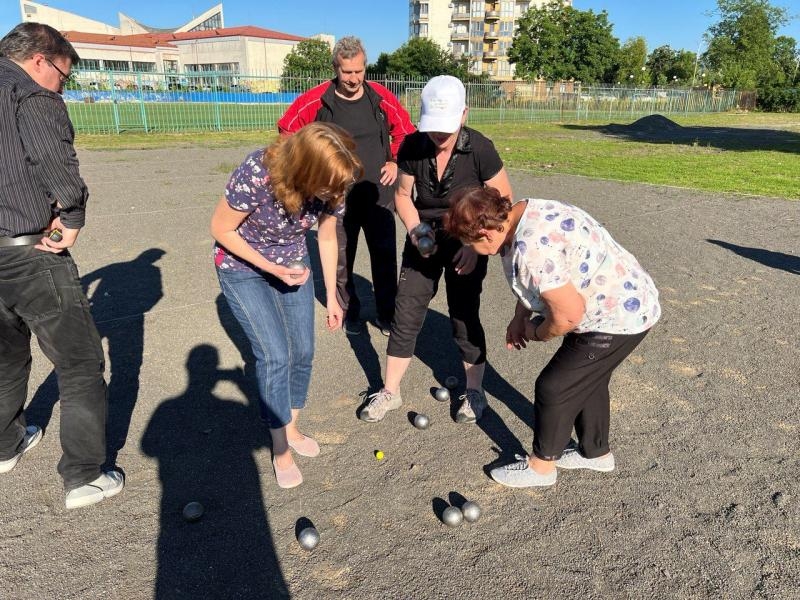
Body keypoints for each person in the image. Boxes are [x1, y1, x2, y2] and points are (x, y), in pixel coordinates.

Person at [445, 186, 662, 488]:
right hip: (624, 298)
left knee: (554, 386)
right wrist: (520, 316)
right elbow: (545, 279)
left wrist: (536, 331)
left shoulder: (529, 249)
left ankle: (541, 467)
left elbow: (568, 314)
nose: (467, 246)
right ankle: (595, 453)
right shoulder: (523, 212)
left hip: (616, 315)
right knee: (587, 379)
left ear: (486, 233)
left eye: (468, 241)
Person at [0, 23, 124, 509]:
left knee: (5, 356)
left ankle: (5, 446)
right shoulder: (32, 97)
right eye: (63, 76)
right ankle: (83, 475)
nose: (62, 86)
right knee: (79, 364)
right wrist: (71, 217)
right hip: (30, 252)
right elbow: (60, 169)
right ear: (39, 60)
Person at [211, 122, 362, 489]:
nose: (335, 195)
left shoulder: (333, 185)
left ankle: (290, 427)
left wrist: (332, 296)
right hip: (242, 266)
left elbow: (327, 235)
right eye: (329, 187)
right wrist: (270, 267)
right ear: (305, 171)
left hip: (293, 265)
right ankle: (280, 448)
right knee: (274, 355)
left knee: (303, 350)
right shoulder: (256, 173)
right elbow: (221, 228)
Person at [358, 75, 512, 425]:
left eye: (446, 127)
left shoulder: (481, 148)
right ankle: (389, 391)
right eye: (432, 128)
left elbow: (504, 203)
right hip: (424, 238)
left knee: (464, 314)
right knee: (406, 310)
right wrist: (415, 230)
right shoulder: (413, 146)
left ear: (463, 115)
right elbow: (402, 197)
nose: (438, 137)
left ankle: (474, 391)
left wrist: (477, 248)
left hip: (467, 240)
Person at [277, 36, 414, 336]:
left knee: (384, 258)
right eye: (346, 72)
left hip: (378, 194)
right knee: (341, 259)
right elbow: (287, 132)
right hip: (335, 197)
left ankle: (386, 315)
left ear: (366, 67)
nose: (353, 79)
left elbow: (405, 131)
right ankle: (349, 311)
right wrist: (308, 172)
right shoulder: (317, 99)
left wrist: (395, 162)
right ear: (335, 69)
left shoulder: (380, 97)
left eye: (359, 71)